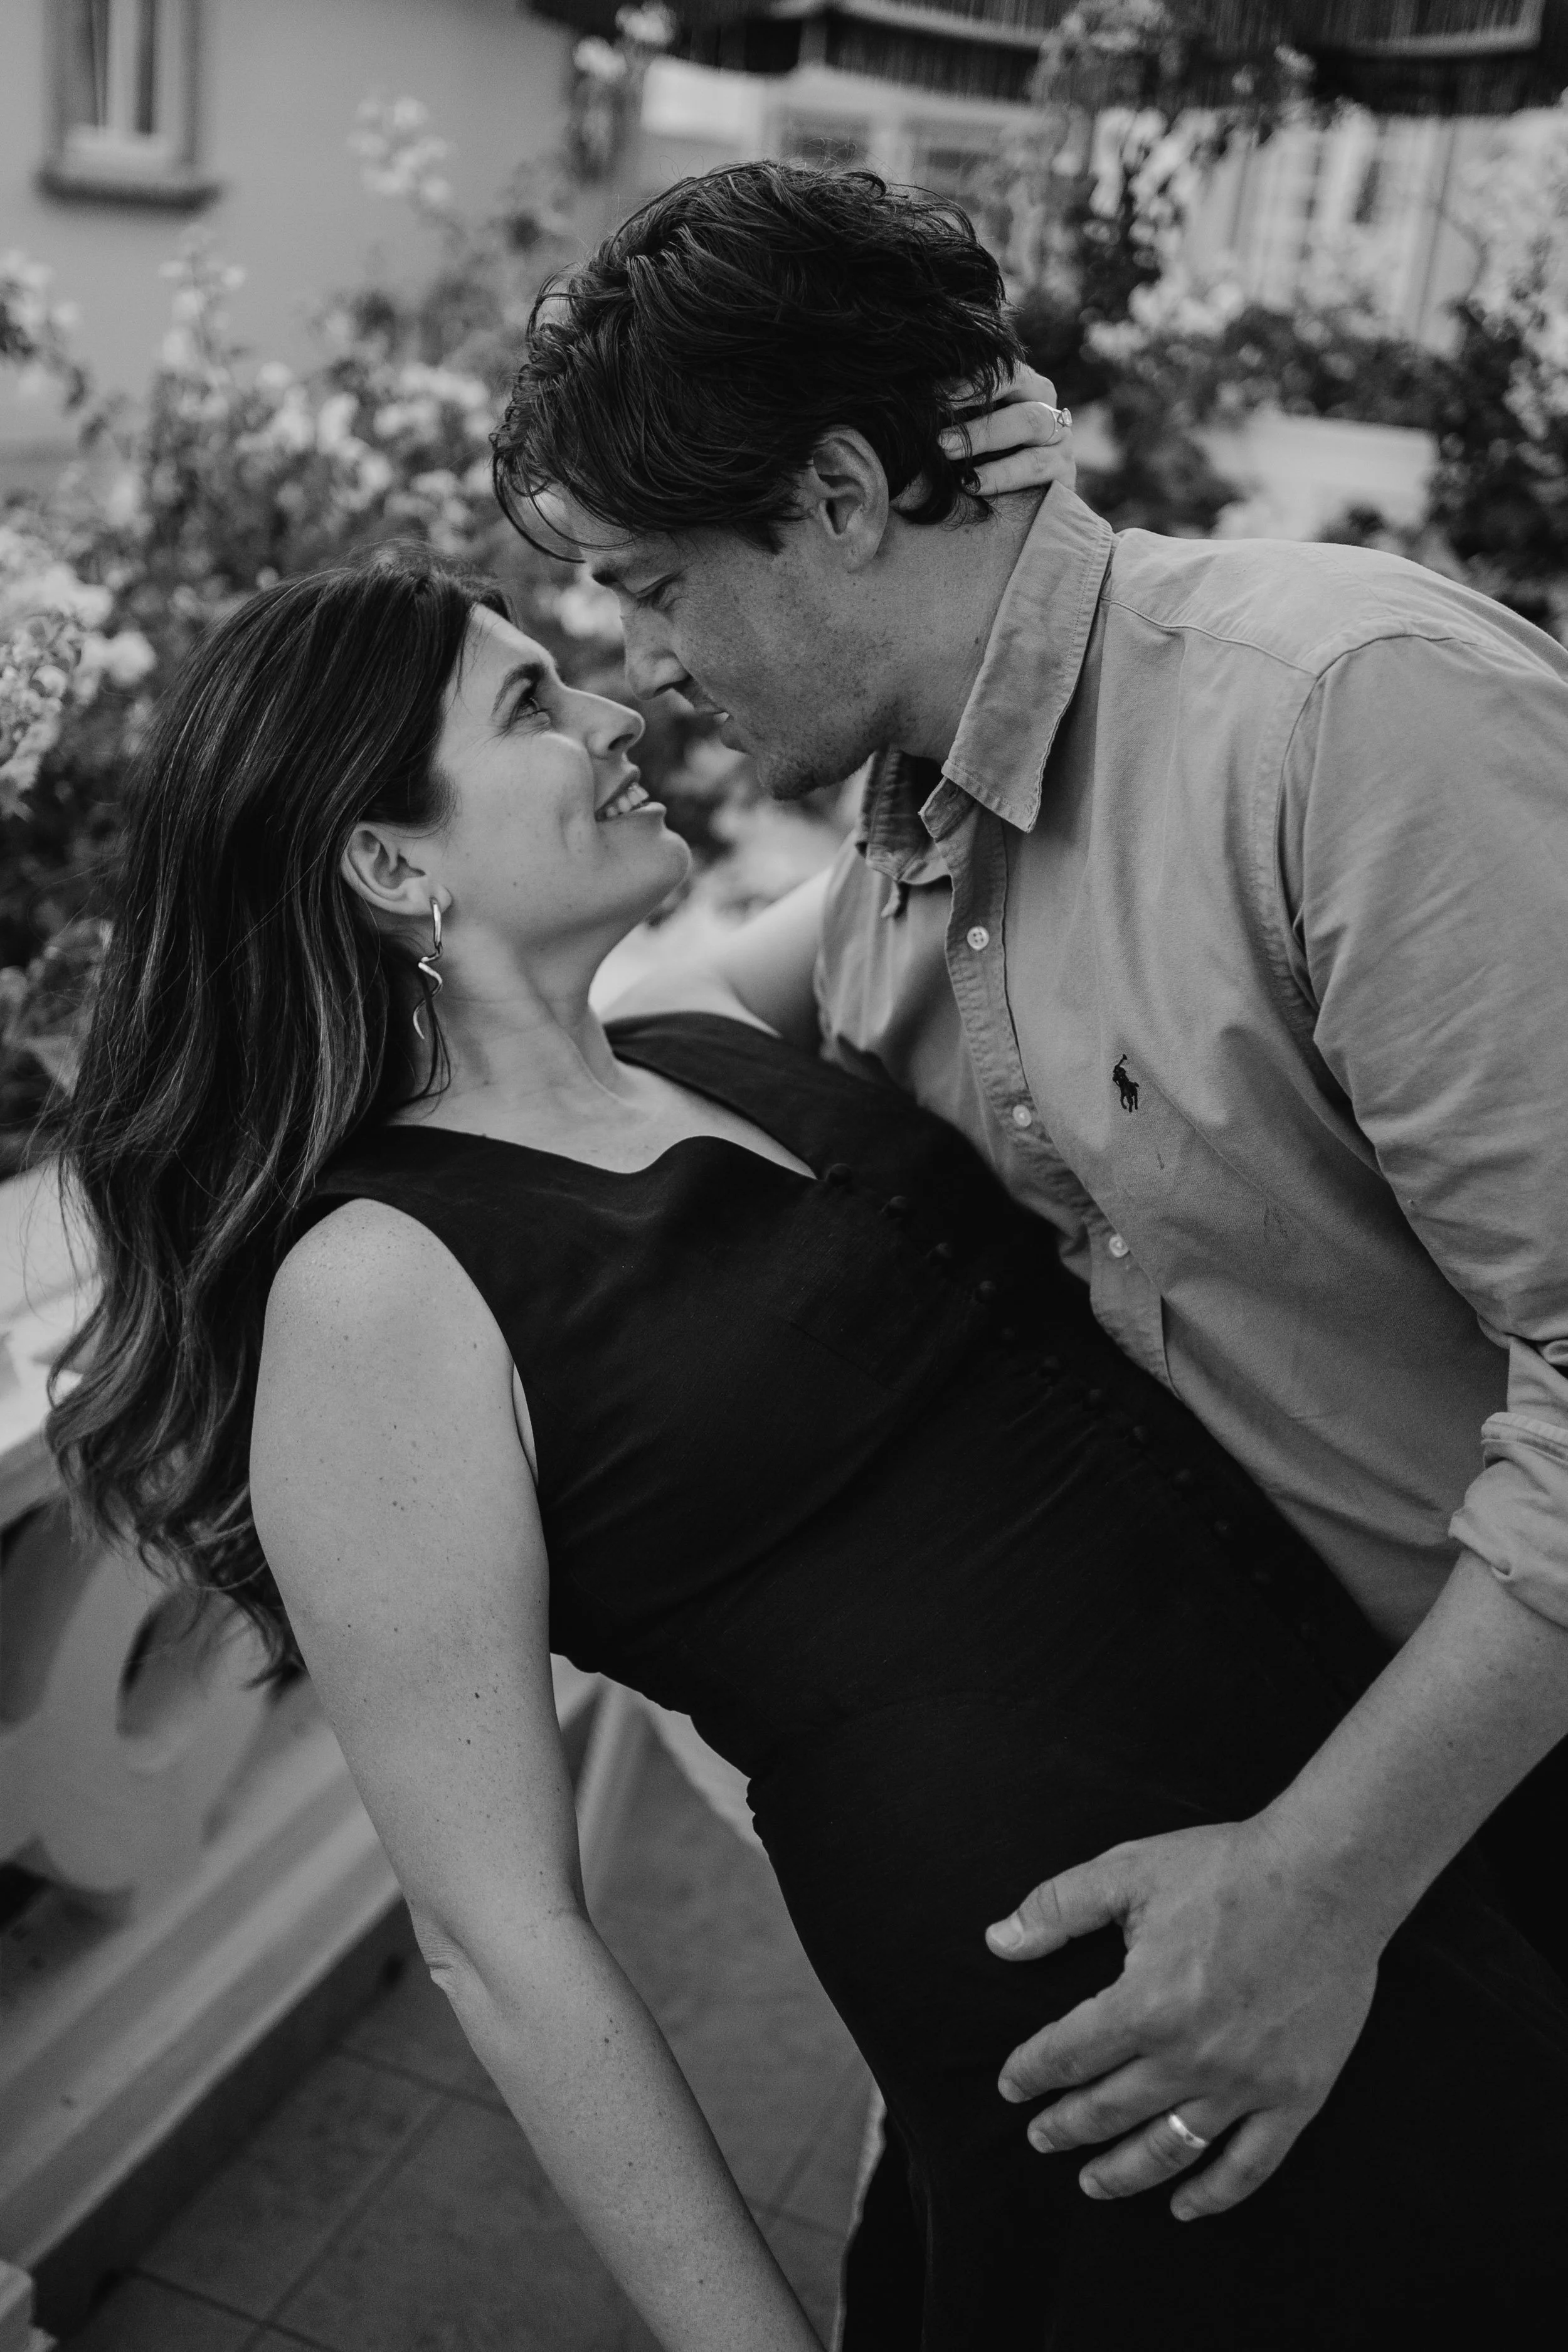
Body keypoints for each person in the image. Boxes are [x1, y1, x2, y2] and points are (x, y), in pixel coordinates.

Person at [43, 527, 1568, 2348]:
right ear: (387, 861)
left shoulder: (705, 1041)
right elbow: (498, 1934)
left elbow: (1001, 764)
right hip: (1110, 2012)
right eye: (530, 699)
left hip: (1360, 1832)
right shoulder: (376, 1290)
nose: (614, 707)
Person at [494, 157, 1568, 2334]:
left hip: (1489, 1830)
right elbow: (623, 1036)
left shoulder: (1343, 721)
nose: (643, 662)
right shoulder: (907, 830)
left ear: (835, 495)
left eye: (647, 584)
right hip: (1217, 1860)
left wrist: (1309, 1891)